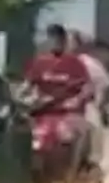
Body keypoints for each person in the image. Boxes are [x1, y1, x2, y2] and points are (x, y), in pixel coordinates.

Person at [25, 25, 100, 166]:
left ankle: (85, 164)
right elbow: (28, 84)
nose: (54, 43)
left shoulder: (75, 63)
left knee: (87, 129)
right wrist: (24, 97)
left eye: (58, 39)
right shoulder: (39, 63)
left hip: (69, 111)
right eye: (51, 39)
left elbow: (88, 87)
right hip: (44, 110)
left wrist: (76, 99)